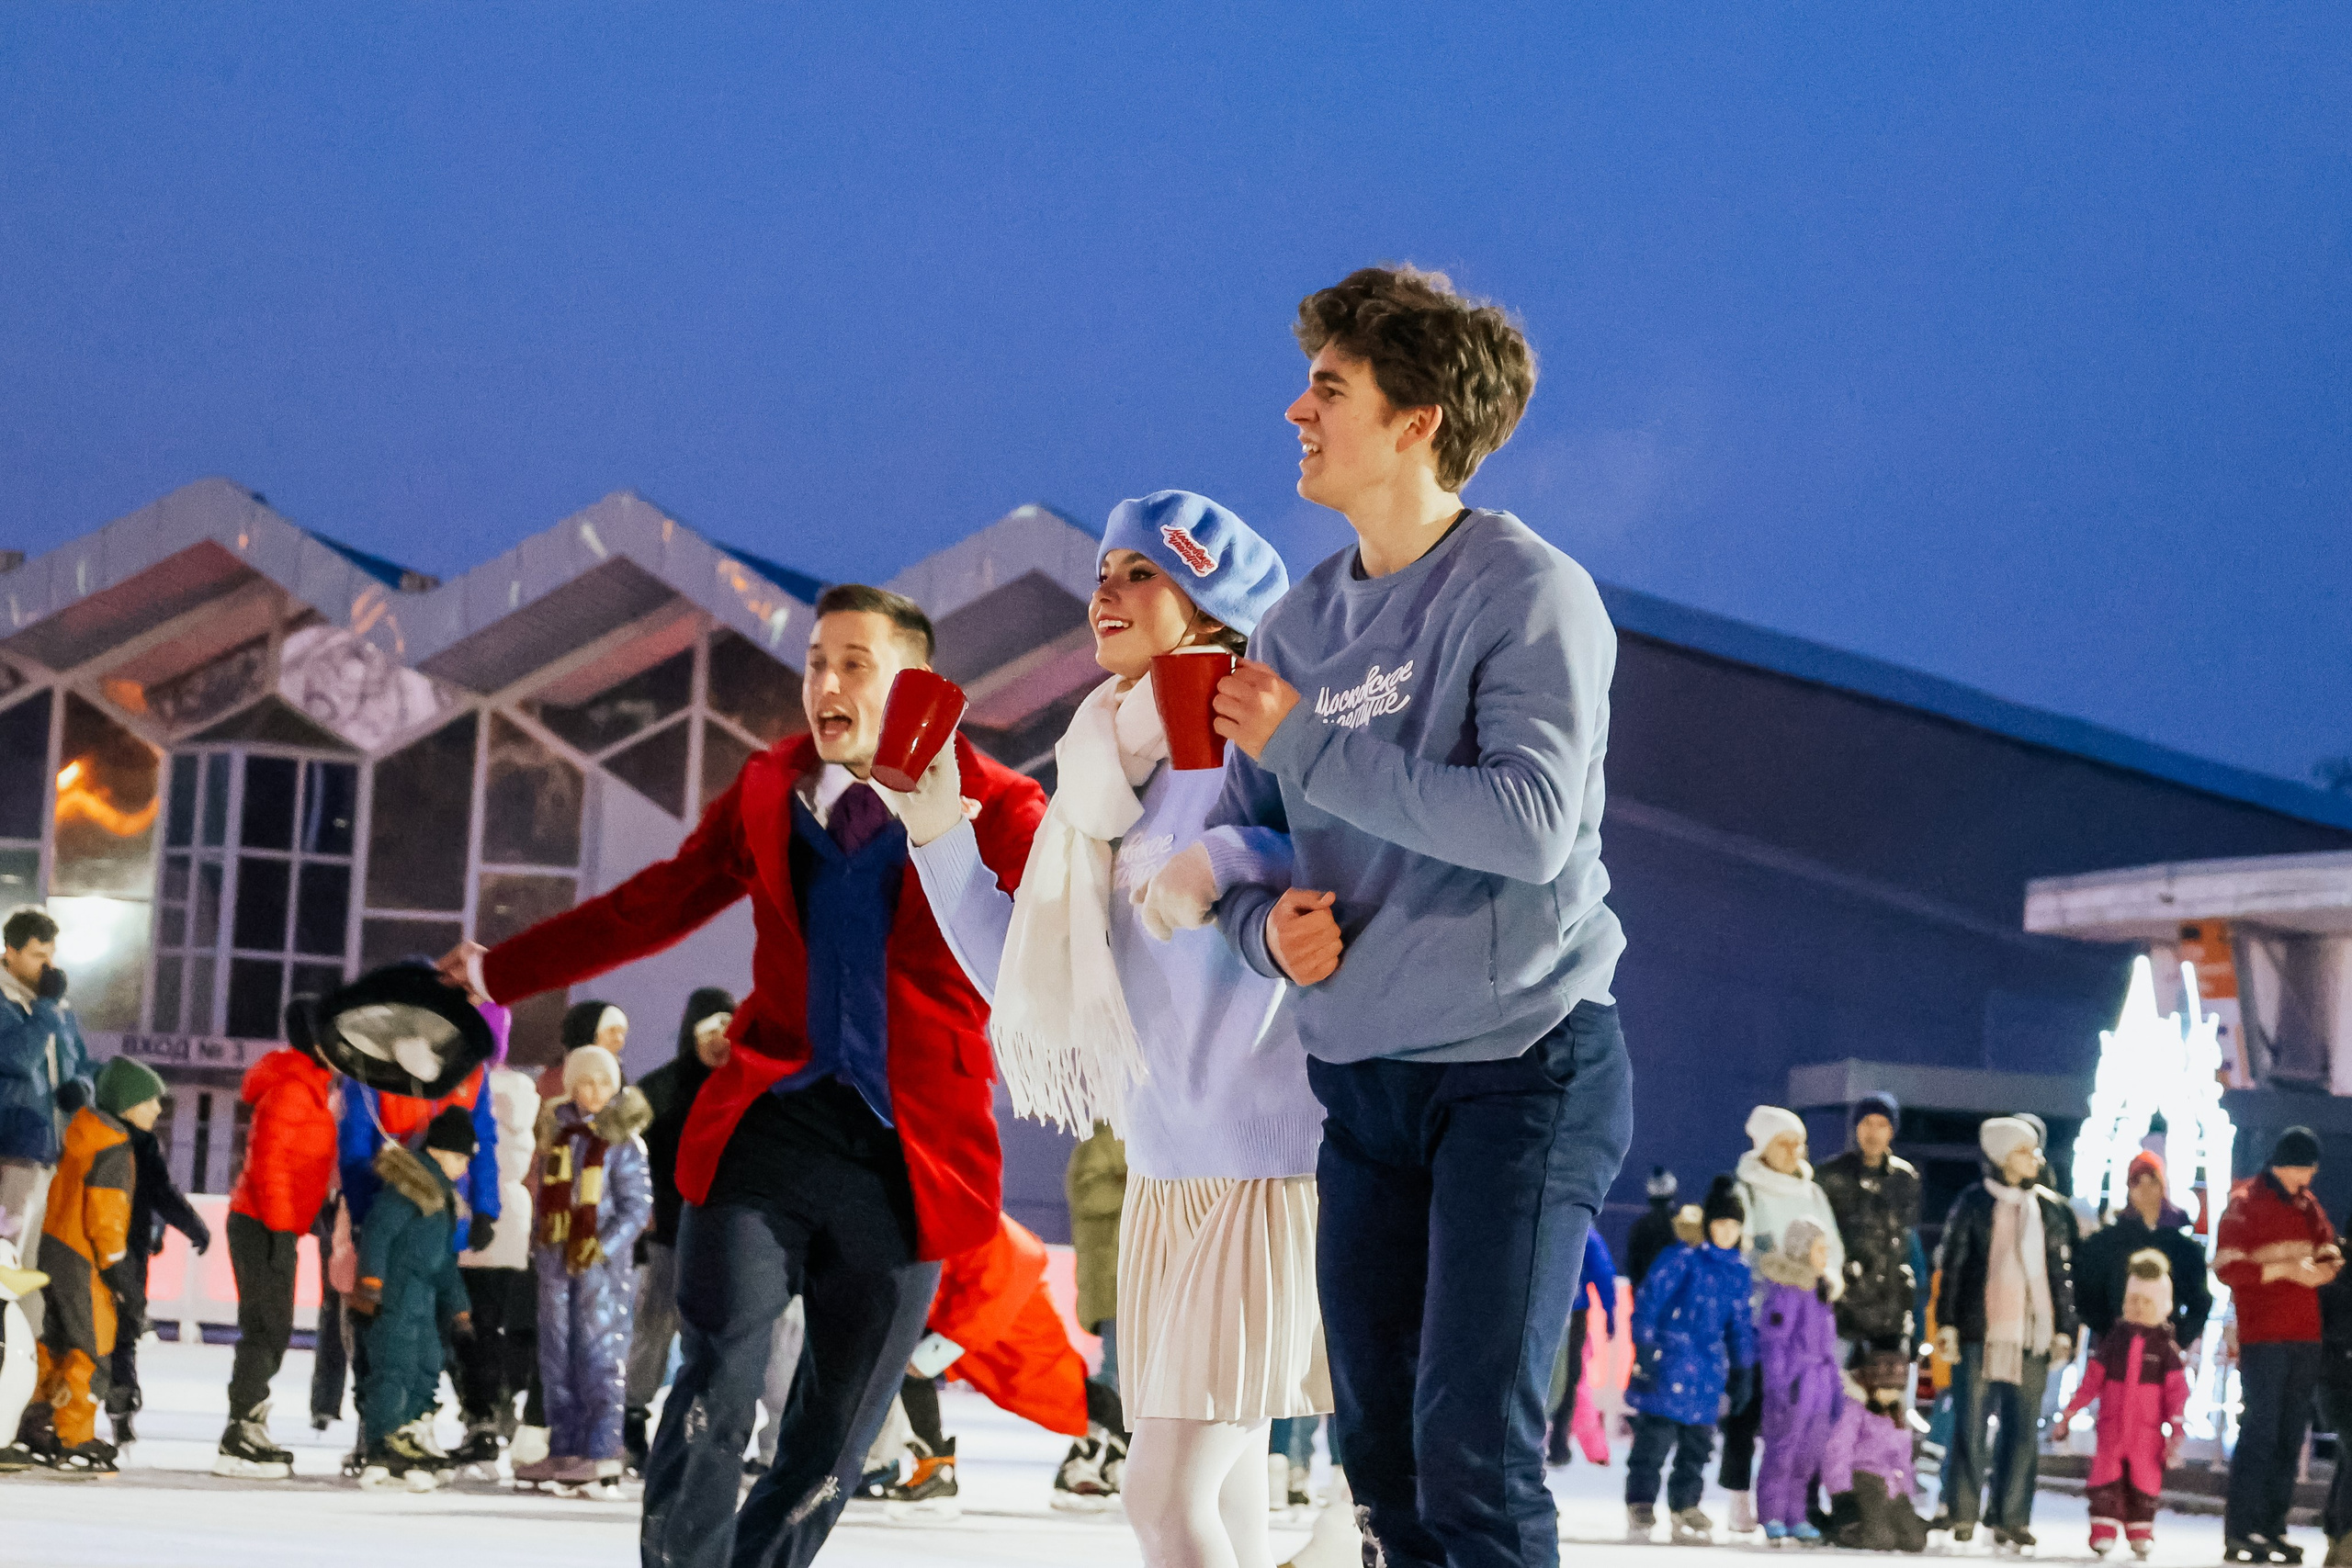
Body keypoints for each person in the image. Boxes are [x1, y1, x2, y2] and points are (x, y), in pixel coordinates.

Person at [439, 581, 1046, 1568]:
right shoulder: (771, 786)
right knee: (717, 1370)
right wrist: (499, 973)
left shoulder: (1004, 803)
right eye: (816, 663)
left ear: (918, 682)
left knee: (835, 1430)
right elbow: (655, 903)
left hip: (910, 1155)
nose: (827, 684)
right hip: (767, 1126)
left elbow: (1058, 941)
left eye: (855, 664)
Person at [1205, 265, 1636, 1568]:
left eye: (1328, 388)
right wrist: (1262, 932)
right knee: (1381, 1463)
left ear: (1416, 421)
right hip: (1364, 1086)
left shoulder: (1525, 590)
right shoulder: (1294, 624)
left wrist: (1308, 743)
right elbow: (1238, 848)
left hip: (1520, 1068)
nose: (1296, 411)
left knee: (1473, 1462)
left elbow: (1529, 822)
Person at [990, 489, 1318, 1568]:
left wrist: (1225, 857)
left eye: (1142, 574)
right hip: (1166, 1164)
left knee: (1161, 1496)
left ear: (1210, 606)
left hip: (1260, 1162)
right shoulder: (1110, 764)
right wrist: (936, 829)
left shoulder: (1254, 731)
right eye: (1102, 573)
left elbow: (1346, 854)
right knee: (1228, 1502)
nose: (1107, 592)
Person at [876, 1210, 1106, 1517]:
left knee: (1057, 1384)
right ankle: (932, 1468)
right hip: (969, 1286)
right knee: (910, 1365)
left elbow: (1011, 1265)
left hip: (999, 1289)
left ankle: (1128, 1445)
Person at [1933, 1115, 2078, 1550]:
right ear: (2001, 1156)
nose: (2035, 1159)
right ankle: (1961, 1512)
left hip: (2033, 1333)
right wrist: (1947, 1322)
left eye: (2034, 1151)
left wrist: (2065, 1329)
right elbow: (1954, 1266)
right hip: (1980, 1330)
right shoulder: (1974, 1203)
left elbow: (2060, 1274)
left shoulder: (2049, 1209)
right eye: (2024, 1151)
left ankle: (2011, 1516)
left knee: (2022, 1430)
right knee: (1970, 1425)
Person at [518, 1042, 652, 1497]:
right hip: (556, 1260)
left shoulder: (623, 1142)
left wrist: (601, 1247)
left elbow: (636, 1208)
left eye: (603, 1083)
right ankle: (565, 1446)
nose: (594, 1092)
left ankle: (602, 1449)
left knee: (599, 1355)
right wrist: (541, 1242)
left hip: (600, 1268)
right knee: (557, 1356)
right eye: (585, 1083)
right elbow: (546, 1198)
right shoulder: (559, 1136)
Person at [215, 1021, 339, 1477]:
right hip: (262, 1223)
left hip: (275, 1222)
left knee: (273, 1326)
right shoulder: (291, 1089)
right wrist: (282, 1228)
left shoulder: (310, 1088)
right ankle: (241, 1428)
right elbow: (268, 1162)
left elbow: (303, 1163)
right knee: (267, 1326)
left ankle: (247, 1420)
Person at [24, 1055, 159, 1472]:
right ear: (127, 1103)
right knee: (92, 1346)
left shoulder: (85, 1133)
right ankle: (74, 1435)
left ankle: (36, 1421)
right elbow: (106, 1216)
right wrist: (120, 1272)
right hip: (84, 1257)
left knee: (59, 1341)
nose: (157, 1109)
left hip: (58, 1248)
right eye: (150, 1100)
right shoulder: (112, 1146)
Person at [1719, 1105, 1845, 1534]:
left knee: (1802, 1418)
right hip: (1759, 1318)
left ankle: (1798, 1504)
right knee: (1749, 1409)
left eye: (1799, 1143)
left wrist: (1828, 1280)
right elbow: (1739, 1250)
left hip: (1807, 1320)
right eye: (1784, 1143)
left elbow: (1833, 1248)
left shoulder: (1813, 1194)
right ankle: (1739, 1494)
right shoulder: (1746, 1191)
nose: (1793, 1152)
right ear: (1764, 1146)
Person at [2216, 1126, 2339, 1563]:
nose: (2310, 1177)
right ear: (2290, 1165)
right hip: (2264, 1334)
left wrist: (2323, 1270)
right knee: (2261, 1431)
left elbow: (2329, 1249)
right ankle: (2242, 1530)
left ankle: (2272, 1528)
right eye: (2306, 1168)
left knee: (2289, 1435)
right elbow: (2227, 1267)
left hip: (2304, 1335)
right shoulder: (2245, 1202)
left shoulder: (2307, 1205)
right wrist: (2285, 1270)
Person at [625, 987, 732, 1473]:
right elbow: (627, 1147)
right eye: (709, 1031)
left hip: (729, 1235)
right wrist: (641, 1207)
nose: (719, 1041)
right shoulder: (664, 1087)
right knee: (655, 1326)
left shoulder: (748, 1086)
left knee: (713, 1336)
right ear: (691, 1034)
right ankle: (632, 1418)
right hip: (671, 1230)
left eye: (727, 1029)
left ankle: (699, 1430)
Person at [348, 1104, 477, 1491]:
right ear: (439, 1151)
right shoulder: (410, 1186)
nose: (465, 1168)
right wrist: (370, 1287)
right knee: (394, 1367)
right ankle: (382, 1445)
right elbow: (379, 1234)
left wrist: (460, 1311)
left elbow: (445, 1262)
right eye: (461, 1158)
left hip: (424, 1298)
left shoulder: (441, 1195)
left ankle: (410, 1436)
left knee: (426, 1364)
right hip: (395, 1296)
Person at [1624, 1175, 1756, 1545]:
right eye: (1721, 1223)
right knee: (1655, 1439)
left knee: (1697, 1445)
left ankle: (1685, 1504)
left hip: (1709, 1369)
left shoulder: (1738, 1271)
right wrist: (1645, 1349)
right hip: (1669, 1362)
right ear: (1709, 1224)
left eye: (1734, 1225)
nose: (1727, 1232)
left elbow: (1740, 1325)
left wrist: (1743, 1369)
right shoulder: (1682, 1259)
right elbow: (1649, 1301)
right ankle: (1640, 1501)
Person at [0, 907, 94, 1346]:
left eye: (51, 955)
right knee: (7, 1257)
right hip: (11, 1144)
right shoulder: (11, 1004)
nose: (49, 966)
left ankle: (29, 1360)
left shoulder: (56, 1010)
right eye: (38, 956)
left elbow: (81, 1064)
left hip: (49, 1149)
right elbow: (15, 1060)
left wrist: (81, 1089)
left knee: (36, 1267)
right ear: (10, 951)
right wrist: (44, 1010)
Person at [2055, 1249, 2188, 1560]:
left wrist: (2176, 1425)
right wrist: (2071, 1411)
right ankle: (2103, 1530)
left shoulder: (2166, 1348)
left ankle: (2140, 1531)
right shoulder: (2114, 1341)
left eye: (2147, 1302)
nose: (2139, 1307)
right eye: (2133, 1300)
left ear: (2161, 1306)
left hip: (2147, 1433)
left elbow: (2176, 1391)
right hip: (2112, 1428)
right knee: (2105, 1480)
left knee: (2144, 1483)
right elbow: (2093, 1380)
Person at [455, 1002, 541, 1469]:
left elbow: (481, 1156)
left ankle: (481, 1416)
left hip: (473, 1217)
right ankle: (488, 1413)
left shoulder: (477, 1089)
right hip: (503, 1222)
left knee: (468, 1326)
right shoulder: (518, 1093)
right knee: (487, 1326)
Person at [108, 1102, 209, 1445]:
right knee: (122, 1330)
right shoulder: (142, 1143)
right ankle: (120, 1407)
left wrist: (160, 1231)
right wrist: (194, 1227)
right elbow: (160, 1193)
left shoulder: (93, 1132)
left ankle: (82, 1411)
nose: (157, 1108)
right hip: (126, 1249)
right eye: (148, 1100)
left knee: (93, 1328)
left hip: (98, 1244)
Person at [1815, 1092, 1922, 1363]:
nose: (1873, 1133)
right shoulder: (1831, 1176)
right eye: (1867, 1124)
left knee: (1885, 1387)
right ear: (1856, 1128)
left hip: (1890, 1313)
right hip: (1842, 1309)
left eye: (1881, 1125)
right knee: (1836, 1383)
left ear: (1892, 1131)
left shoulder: (1904, 1178)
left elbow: (1905, 1243)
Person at [1756, 1216, 1844, 1544]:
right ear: (1803, 1250)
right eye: (1819, 1249)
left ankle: (1796, 1514)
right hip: (1795, 1383)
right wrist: (1779, 1384)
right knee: (1783, 1449)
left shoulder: (1820, 1291)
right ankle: (1772, 1513)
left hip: (1819, 1383)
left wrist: (1834, 1388)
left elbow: (1827, 1346)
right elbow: (1775, 1342)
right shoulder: (1787, 1291)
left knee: (1808, 1454)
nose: (1825, 1256)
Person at [2075, 1151, 2212, 1362]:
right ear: (2129, 1189)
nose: (2145, 1190)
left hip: (2160, 1358)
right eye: (2138, 1182)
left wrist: (2177, 1339)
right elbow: (2086, 1292)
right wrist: (2108, 1333)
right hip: (2112, 1355)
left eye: (2152, 1182)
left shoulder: (2182, 1248)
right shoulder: (2106, 1243)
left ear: (2162, 1186)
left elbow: (2200, 1300)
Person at [1059, 1120, 1129, 1509]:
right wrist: (1138, 1182)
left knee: (1129, 1377)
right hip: (1113, 1283)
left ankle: (1112, 1457)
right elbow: (1089, 1196)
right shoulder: (1101, 1142)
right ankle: (1084, 1457)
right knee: (1114, 1375)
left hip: (1136, 1282)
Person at [1822, 1348, 1928, 1551]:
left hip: (1891, 1483)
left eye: (1895, 1389)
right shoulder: (1855, 1410)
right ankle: (1839, 1530)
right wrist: (1842, 1495)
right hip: (1863, 1480)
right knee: (1880, 1539)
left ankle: (1888, 1524)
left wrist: (1906, 1492)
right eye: (1885, 1389)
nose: (1890, 1395)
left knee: (1914, 1542)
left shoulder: (1897, 1415)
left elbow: (1903, 1460)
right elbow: (1838, 1451)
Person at [1546, 1226, 1617, 1465]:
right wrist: (1609, 1315)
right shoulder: (1582, 1229)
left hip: (1537, 1307)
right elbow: (1603, 1272)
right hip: (1572, 1311)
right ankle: (1557, 1445)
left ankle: (1535, 1442)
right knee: (1568, 1379)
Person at [2315, 1214, 2352, 1566]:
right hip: (2341, 1381)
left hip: (2334, 1380)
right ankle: (2344, 1538)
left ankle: (2338, 1536)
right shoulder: (2337, 1277)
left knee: (2348, 1457)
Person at [1625, 1166, 1681, 1291]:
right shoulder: (1681, 1226)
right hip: (1675, 1294)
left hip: (1648, 1293)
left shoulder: (1640, 1227)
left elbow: (1633, 1267)